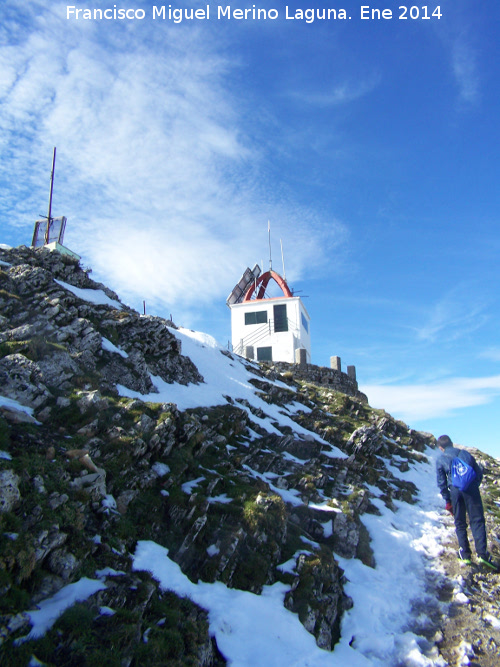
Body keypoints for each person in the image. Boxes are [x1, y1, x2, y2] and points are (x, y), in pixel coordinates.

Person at [436, 434, 498, 570]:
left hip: (455, 491)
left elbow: (441, 483)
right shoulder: (465, 454)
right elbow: (478, 472)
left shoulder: (441, 459)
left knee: (460, 522)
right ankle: (482, 555)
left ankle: (465, 554)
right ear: (452, 444)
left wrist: (448, 500)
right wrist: (473, 485)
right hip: (471, 490)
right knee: (477, 520)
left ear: (441, 448)